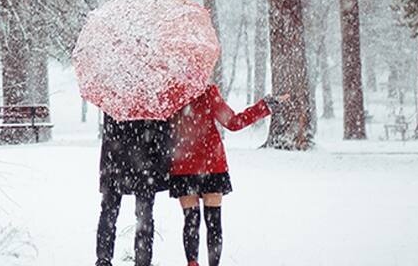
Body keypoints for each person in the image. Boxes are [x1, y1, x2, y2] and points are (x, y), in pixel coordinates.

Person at [168, 84, 289, 266]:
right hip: (211, 164)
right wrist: (265, 105)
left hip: (183, 164)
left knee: (190, 222)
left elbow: (162, 132)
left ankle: (192, 263)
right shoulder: (206, 91)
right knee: (214, 222)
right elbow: (233, 122)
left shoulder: (171, 94)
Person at [95, 113, 172, 266]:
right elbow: (162, 134)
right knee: (144, 216)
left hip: (114, 165)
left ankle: (103, 259)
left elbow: (109, 135)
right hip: (144, 167)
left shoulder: (114, 98)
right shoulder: (150, 101)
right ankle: (143, 260)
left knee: (108, 213)